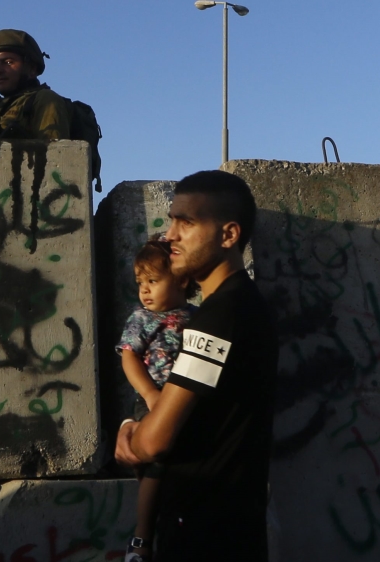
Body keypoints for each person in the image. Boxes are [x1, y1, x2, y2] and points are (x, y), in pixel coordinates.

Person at [115, 170, 278, 561]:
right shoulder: (236, 307)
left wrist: (130, 436)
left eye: (186, 223)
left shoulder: (221, 316)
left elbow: (155, 441)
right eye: (171, 221)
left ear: (228, 235)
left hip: (208, 536)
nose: (170, 235)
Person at [116, 239, 197, 562]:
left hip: (186, 402)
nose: (145, 290)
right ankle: (141, 538)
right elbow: (129, 357)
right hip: (153, 400)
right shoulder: (142, 318)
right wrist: (151, 394)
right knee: (156, 465)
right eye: (140, 282)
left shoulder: (197, 317)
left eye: (153, 280)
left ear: (182, 279)